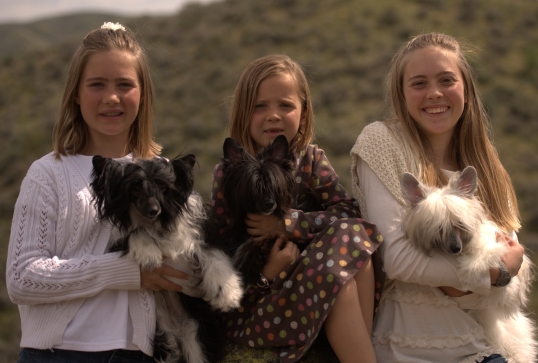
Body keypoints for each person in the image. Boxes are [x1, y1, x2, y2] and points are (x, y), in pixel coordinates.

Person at [6, 22, 189, 363]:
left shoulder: (164, 172)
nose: (111, 97)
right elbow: (21, 278)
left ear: (143, 92)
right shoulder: (48, 174)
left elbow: (185, 265)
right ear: (76, 93)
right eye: (96, 85)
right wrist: (125, 271)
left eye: (124, 84)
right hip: (57, 355)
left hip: (142, 355)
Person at [350, 32, 527, 363]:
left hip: (487, 349)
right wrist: (489, 276)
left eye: (447, 79)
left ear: (466, 89)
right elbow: (398, 259)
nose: (434, 93)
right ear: (401, 95)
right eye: (418, 83)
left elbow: (510, 293)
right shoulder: (381, 142)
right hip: (412, 349)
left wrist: (462, 284)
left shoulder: (488, 167)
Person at [209, 54, 385, 363]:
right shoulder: (230, 173)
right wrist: (266, 274)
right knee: (339, 283)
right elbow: (218, 253)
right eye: (260, 106)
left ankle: (358, 349)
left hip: (311, 284)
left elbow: (348, 213)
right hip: (259, 304)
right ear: (243, 113)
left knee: (354, 237)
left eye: (285, 106)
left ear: (303, 114)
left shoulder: (311, 160)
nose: (273, 116)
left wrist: (288, 224)